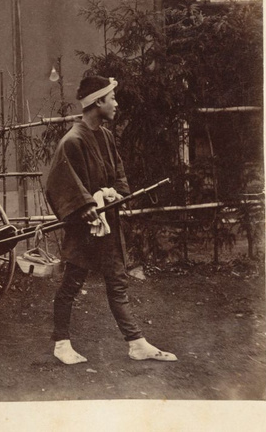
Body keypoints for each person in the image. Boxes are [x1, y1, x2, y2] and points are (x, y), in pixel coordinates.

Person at [46, 75, 177, 364]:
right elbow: (59, 182)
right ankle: (61, 342)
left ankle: (136, 343)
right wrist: (85, 206)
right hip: (85, 226)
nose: (116, 104)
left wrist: (115, 194)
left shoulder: (105, 136)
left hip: (107, 221)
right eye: (112, 98)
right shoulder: (72, 140)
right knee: (71, 283)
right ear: (97, 102)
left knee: (117, 281)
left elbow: (119, 175)